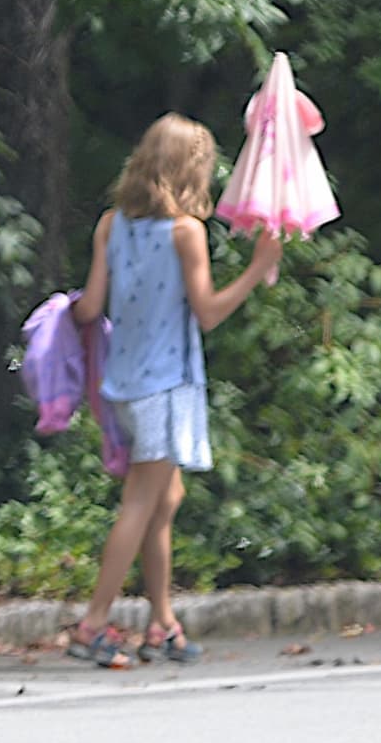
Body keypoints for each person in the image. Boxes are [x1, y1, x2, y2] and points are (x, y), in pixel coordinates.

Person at [67, 112, 282, 669]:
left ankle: (162, 623)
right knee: (141, 503)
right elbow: (207, 313)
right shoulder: (186, 232)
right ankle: (92, 623)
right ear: (192, 170)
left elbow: (89, 308)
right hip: (164, 386)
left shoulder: (111, 224)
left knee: (166, 499)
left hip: (124, 383)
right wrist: (258, 268)